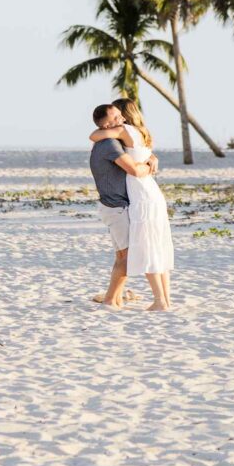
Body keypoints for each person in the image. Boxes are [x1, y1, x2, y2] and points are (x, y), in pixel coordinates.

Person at [90, 99, 174, 311]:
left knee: (138, 251)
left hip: (137, 197)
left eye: (120, 115)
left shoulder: (121, 135)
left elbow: (136, 170)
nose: (121, 119)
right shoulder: (128, 135)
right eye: (116, 118)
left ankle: (118, 299)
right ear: (108, 124)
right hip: (136, 197)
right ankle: (117, 299)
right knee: (143, 250)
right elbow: (137, 164)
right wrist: (149, 162)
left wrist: (146, 164)